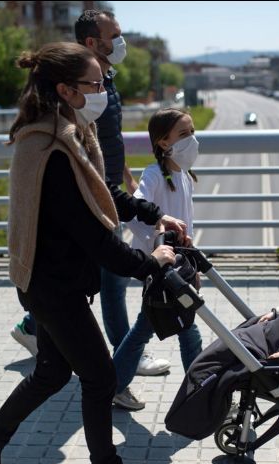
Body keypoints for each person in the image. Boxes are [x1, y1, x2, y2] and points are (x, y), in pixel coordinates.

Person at [0, 42, 187, 464]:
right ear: (65, 89)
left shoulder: (66, 131)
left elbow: (100, 194)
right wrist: (152, 262)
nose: (102, 90)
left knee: (51, 372)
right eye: (95, 83)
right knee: (100, 379)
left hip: (50, 280)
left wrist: (154, 213)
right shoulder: (51, 149)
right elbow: (97, 240)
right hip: (52, 286)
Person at [10, 9, 171, 377]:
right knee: (111, 280)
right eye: (114, 35)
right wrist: (148, 262)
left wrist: (127, 180)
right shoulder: (72, 109)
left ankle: (35, 328)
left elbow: (106, 142)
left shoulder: (101, 85)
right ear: (91, 43)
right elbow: (78, 159)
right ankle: (123, 357)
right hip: (96, 196)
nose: (121, 41)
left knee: (51, 373)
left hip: (107, 189)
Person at [111, 108, 204, 411]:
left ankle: (111, 386)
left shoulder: (183, 176)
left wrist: (192, 265)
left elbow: (186, 223)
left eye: (193, 131)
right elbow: (134, 215)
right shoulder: (154, 175)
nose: (192, 140)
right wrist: (158, 242)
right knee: (187, 330)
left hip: (178, 269)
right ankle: (199, 394)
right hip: (161, 271)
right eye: (184, 134)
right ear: (164, 142)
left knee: (145, 330)